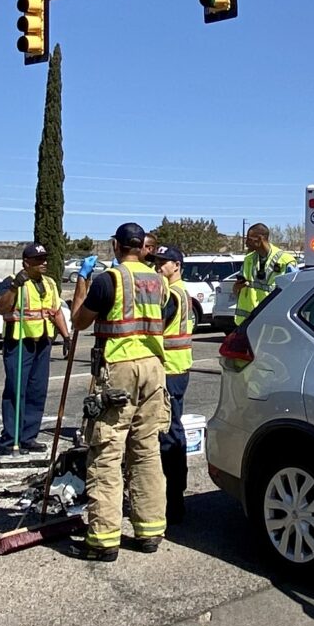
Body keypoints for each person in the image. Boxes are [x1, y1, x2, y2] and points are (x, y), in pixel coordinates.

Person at [65, 223, 171, 562]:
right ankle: (150, 530)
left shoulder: (109, 280)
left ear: (116, 245)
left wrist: (83, 280)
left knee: (107, 452)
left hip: (120, 370)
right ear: (142, 246)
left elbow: (79, 321)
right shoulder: (159, 281)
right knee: (146, 450)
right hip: (153, 368)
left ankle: (103, 539)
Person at [0, 243, 71, 454]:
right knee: (16, 390)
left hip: (43, 342)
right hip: (19, 341)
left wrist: (66, 336)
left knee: (37, 390)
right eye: (39, 260)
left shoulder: (49, 283)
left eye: (45, 259)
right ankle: (10, 440)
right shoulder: (12, 282)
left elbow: (55, 311)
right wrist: (15, 287)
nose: (44, 263)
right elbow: (1, 307)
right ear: (26, 263)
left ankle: (28, 437)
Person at [153, 245, 195, 523]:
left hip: (170, 368)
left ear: (177, 265)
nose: (158, 266)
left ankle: (174, 499)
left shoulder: (173, 294)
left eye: (164, 262)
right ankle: (175, 494)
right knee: (173, 429)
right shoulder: (181, 290)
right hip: (178, 367)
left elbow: (156, 325)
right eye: (157, 261)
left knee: (168, 432)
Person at [232, 223, 297, 322]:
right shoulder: (248, 259)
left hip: (273, 321)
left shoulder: (286, 261)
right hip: (248, 322)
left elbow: (295, 293)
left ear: (259, 239)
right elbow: (238, 290)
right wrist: (236, 287)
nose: (246, 243)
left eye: (249, 239)